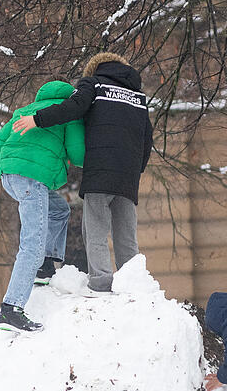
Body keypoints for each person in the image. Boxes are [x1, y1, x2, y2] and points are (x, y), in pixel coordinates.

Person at [13, 52, 153, 293]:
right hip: (128, 174)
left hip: (100, 169)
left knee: (95, 228)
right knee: (126, 232)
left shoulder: (93, 83)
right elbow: (147, 137)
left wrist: (38, 119)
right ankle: (133, 285)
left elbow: (74, 107)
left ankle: (100, 284)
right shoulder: (138, 97)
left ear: (95, 68)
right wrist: (135, 169)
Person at [0, 79, 85, 332]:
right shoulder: (68, 112)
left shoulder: (24, 111)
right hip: (32, 179)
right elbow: (77, 153)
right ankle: (11, 309)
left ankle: (44, 267)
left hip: (11, 177)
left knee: (59, 209)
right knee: (31, 244)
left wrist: (9, 166)